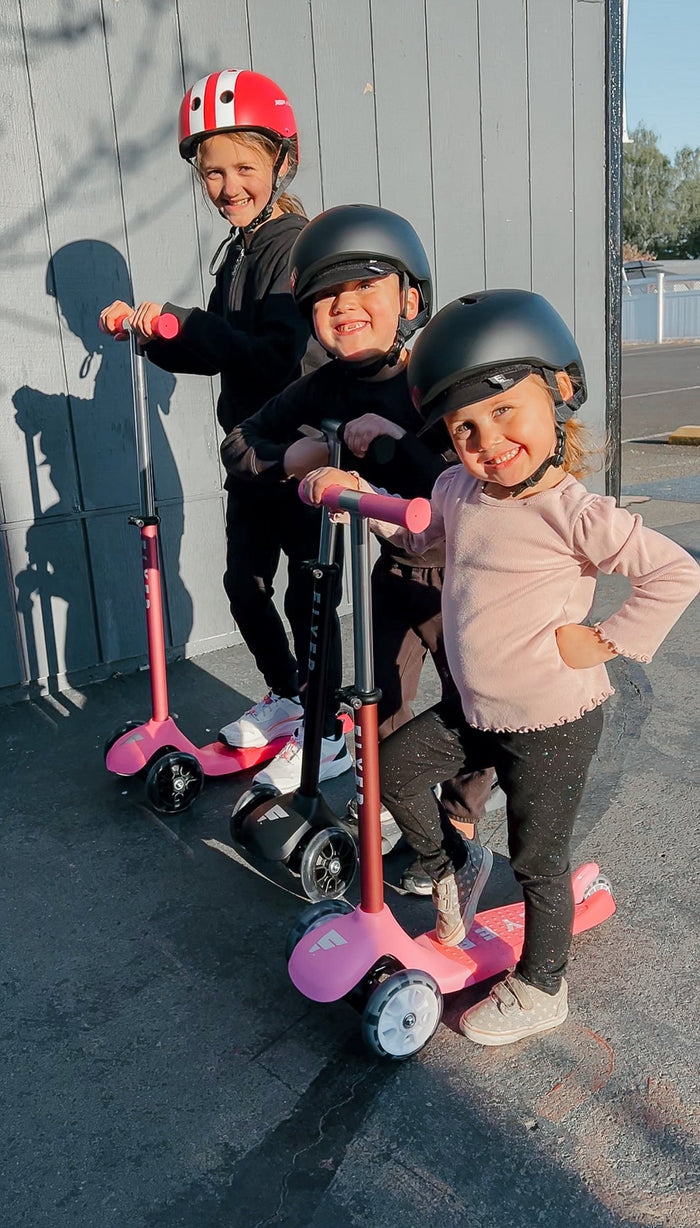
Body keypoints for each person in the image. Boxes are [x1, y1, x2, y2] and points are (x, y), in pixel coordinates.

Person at [300, 288, 700, 1046]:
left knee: (542, 861)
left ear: (556, 397)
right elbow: (423, 546)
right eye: (465, 427)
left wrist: (609, 639)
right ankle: (455, 859)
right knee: (393, 767)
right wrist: (362, 497)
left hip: (553, 719)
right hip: (477, 708)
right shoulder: (457, 489)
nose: (488, 440)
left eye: (505, 411)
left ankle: (543, 986)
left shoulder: (576, 512)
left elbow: (676, 572)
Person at [221, 203, 494, 833]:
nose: (344, 306)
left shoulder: (435, 379)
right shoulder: (324, 388)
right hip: (392, 576)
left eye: (365, 285)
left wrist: (401, 442)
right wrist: (306, 453)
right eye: (326, 296)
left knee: (475, 706)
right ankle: (398, 812)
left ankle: (460, 824)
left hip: (461, 575)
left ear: (409, 298)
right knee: (382, 707)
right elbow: (240, 442)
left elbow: (477, 483)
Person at [99, 67, 326, 755]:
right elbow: (222, 352)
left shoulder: (291, 248)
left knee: (304, 596)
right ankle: (289, 698)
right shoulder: (242, 250)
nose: (228, 187)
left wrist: (182, 321)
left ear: (283, 160)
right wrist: (154, 335)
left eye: (244, 166)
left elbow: (275, 357)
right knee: (243, 584)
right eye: (211, 173)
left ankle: (322, 725)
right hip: (253, 451)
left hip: (298, 451)